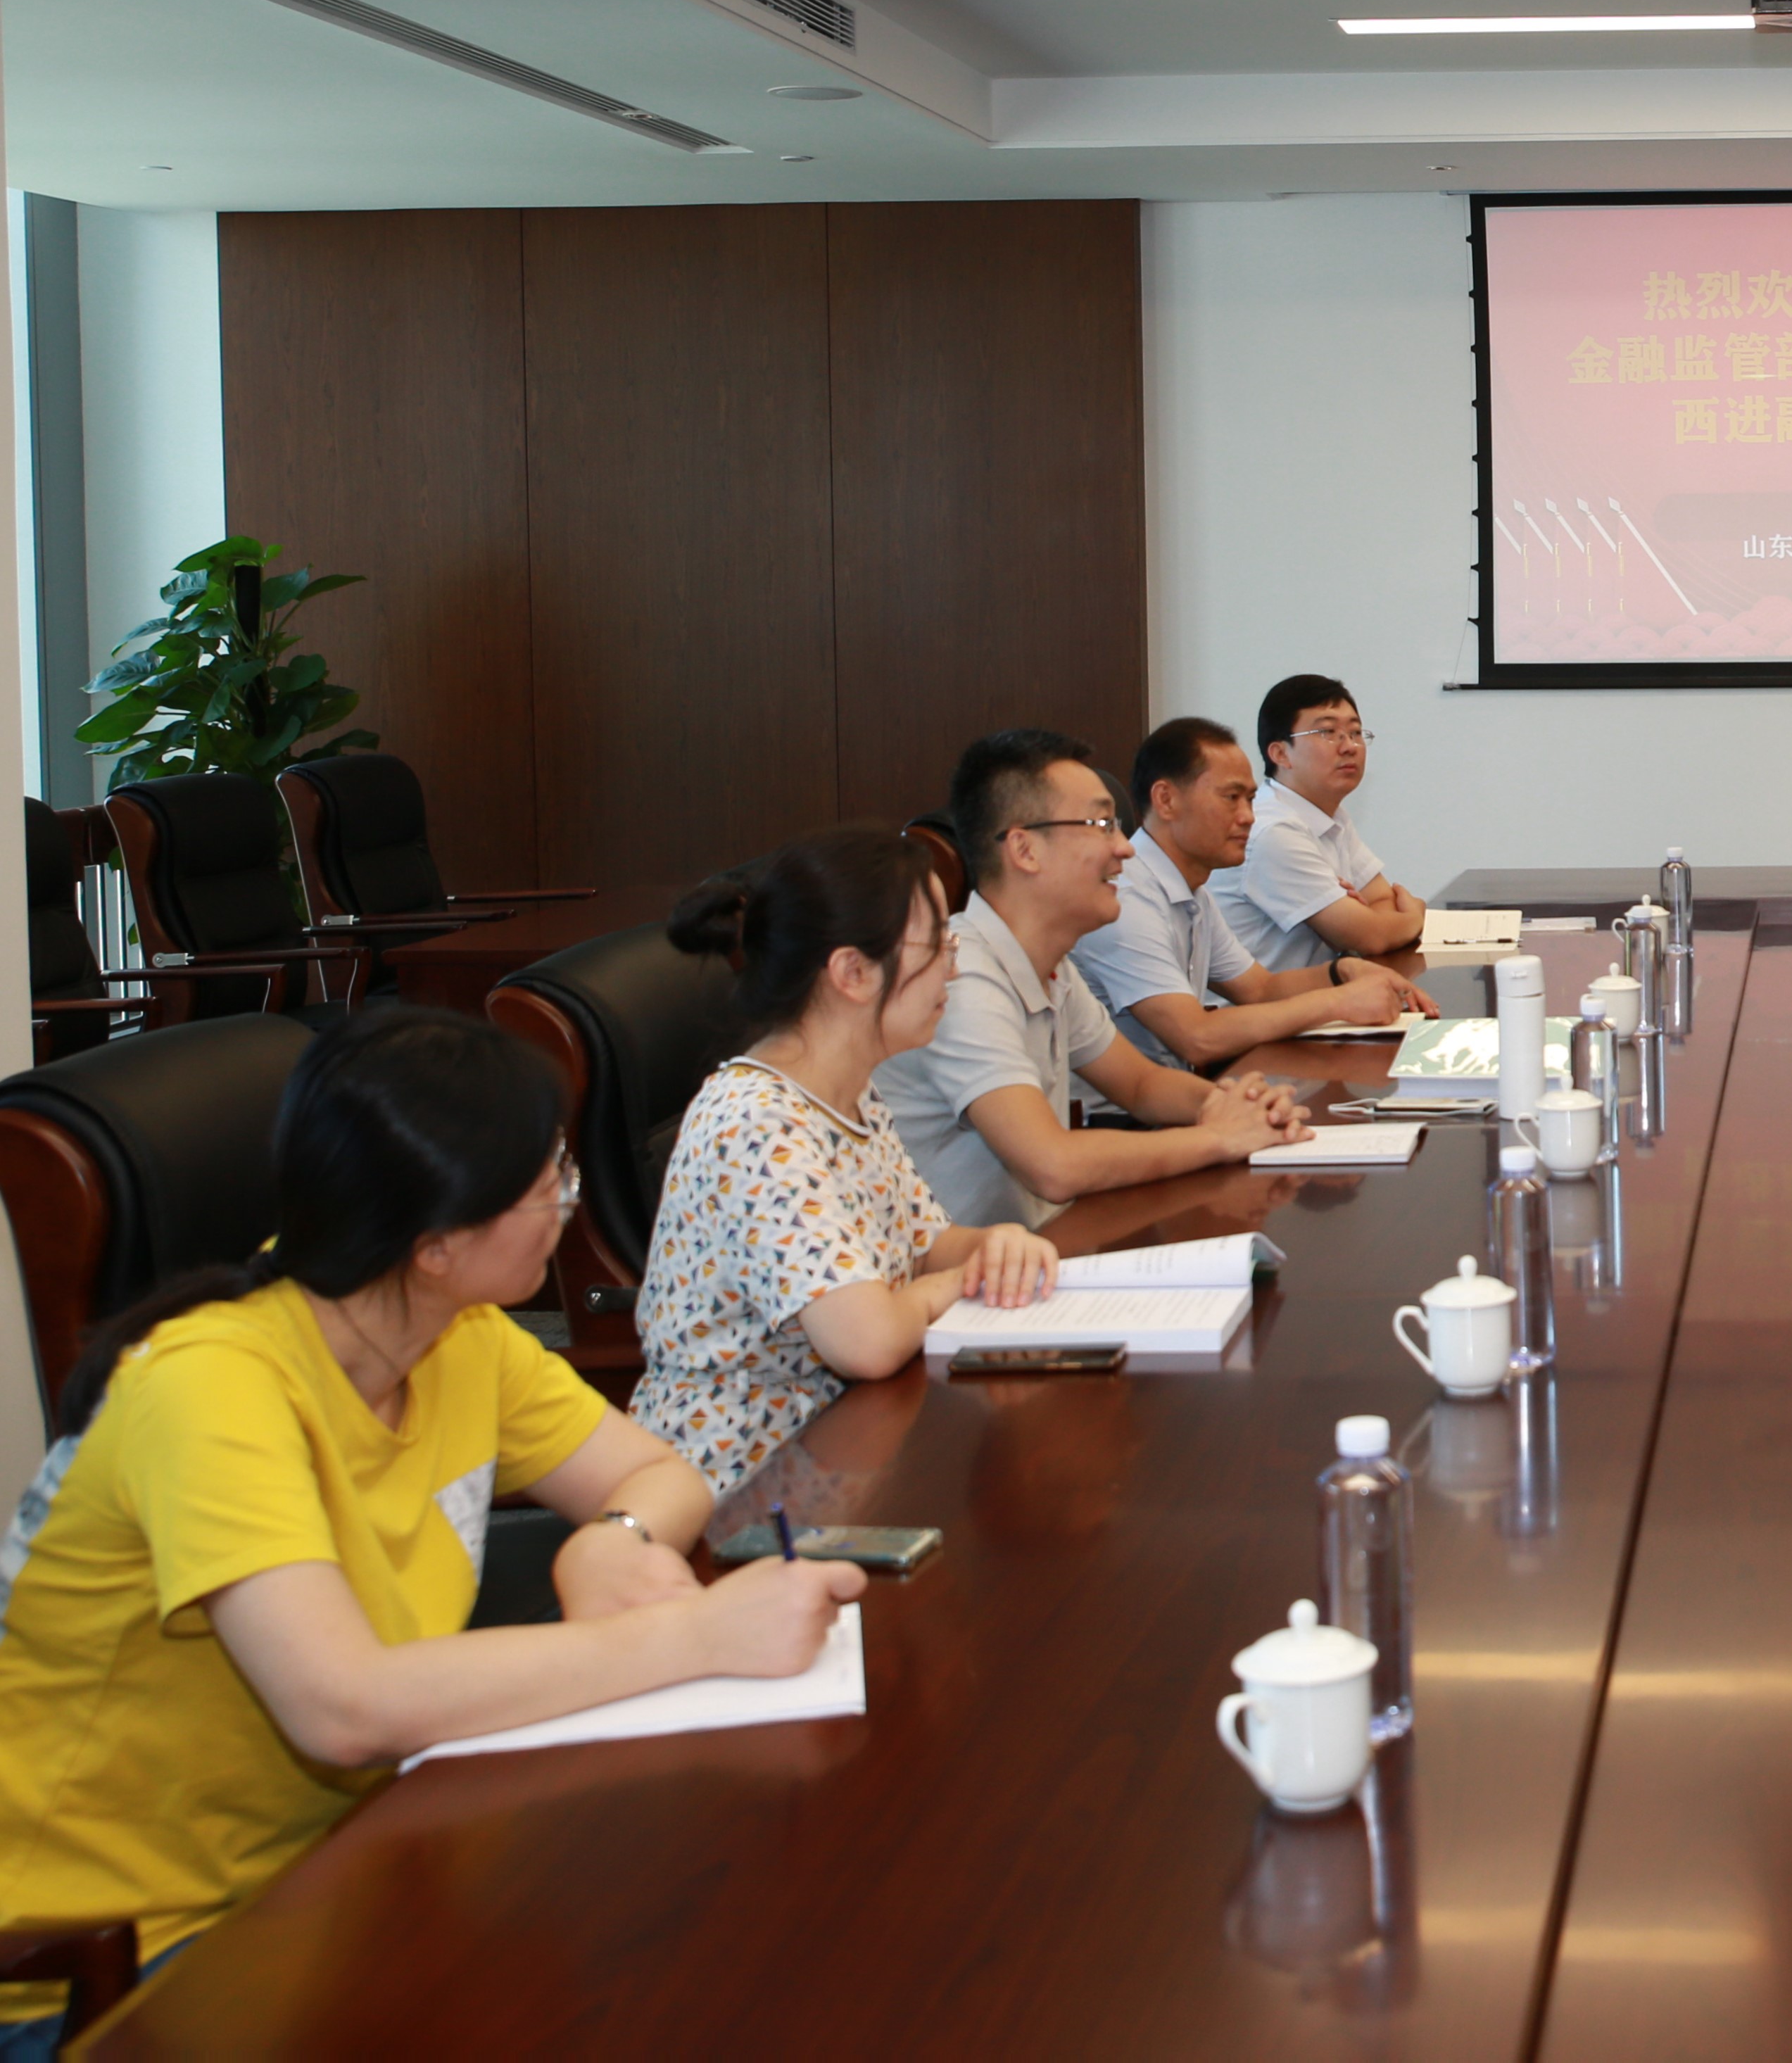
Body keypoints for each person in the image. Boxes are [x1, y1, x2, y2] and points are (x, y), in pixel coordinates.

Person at [0, 1011, 860, 2042]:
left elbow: (655, 1471)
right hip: (125, 1955)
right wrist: (689, 1638)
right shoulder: (209, 1389)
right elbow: (342, 1707)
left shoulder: (452, 1333)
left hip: (351, 1856)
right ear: (437, 1243)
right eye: (547, 1184)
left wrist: (614, 1538)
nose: (567, 1204)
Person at [631, 826, 1068, 1494]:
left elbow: (925, 1244)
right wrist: (955, 1284)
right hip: (738, 1489)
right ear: (853, 974)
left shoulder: (848, 1091)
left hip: (848, 1444)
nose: (953, 969)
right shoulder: (757, 1122)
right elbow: (867, 1342)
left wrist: (997, 1246)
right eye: (937, 947)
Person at [875, 729, 1306, 1229]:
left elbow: (1141, 1085)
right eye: (1101, 825)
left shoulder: (1049, 965)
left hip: (1039, 1245)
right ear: (1024, 850)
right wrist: (1220, 1136)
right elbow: (1052, 1166)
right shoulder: (962, 977)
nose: (1124, 848)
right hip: (965, 1269)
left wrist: (1236, 1106)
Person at [1074, 717, 1437, 1071]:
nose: (1248, 816)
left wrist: (1346, 970)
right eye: (1231, 798)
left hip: (1179, 1088)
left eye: (1249, 799)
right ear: (1166, 800)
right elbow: (1197, 1037)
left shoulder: (1192, 892)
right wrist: (1338, 1002)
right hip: (1130, 1108)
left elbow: (1260, 988)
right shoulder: (1126, 900)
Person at [1215, 675, 1425, 970]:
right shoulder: (1272, 831)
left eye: (1355, 732)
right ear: (1281, 754)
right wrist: (1414, 917)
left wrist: (1370, 923)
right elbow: (1371, 937)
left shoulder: (1329, 815)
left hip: (1320, 990)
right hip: (1270, 998)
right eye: (1328, 732)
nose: (1350, 746)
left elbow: (1381, 900)